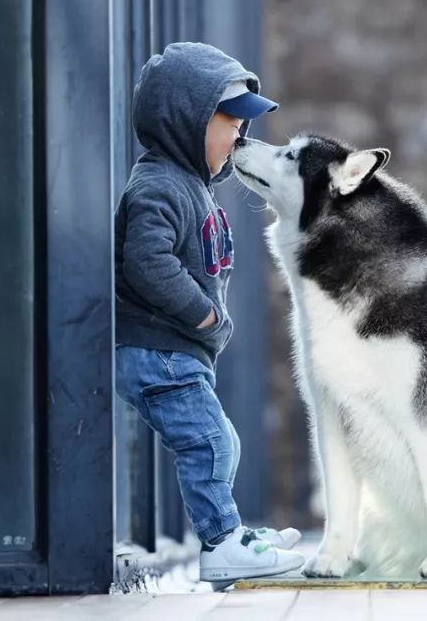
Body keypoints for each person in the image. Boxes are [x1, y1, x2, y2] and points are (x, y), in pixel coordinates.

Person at [114, 42, 304, 582]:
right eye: (230, 123)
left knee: (223, 439)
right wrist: (202, 316)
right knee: (209, 442)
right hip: (158, 349)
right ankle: (221, 544)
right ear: (186, 120)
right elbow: (147, 261)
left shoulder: (191, 185)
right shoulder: (158, 185)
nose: (239, 137)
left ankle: (231, 530)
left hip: (178, 352)